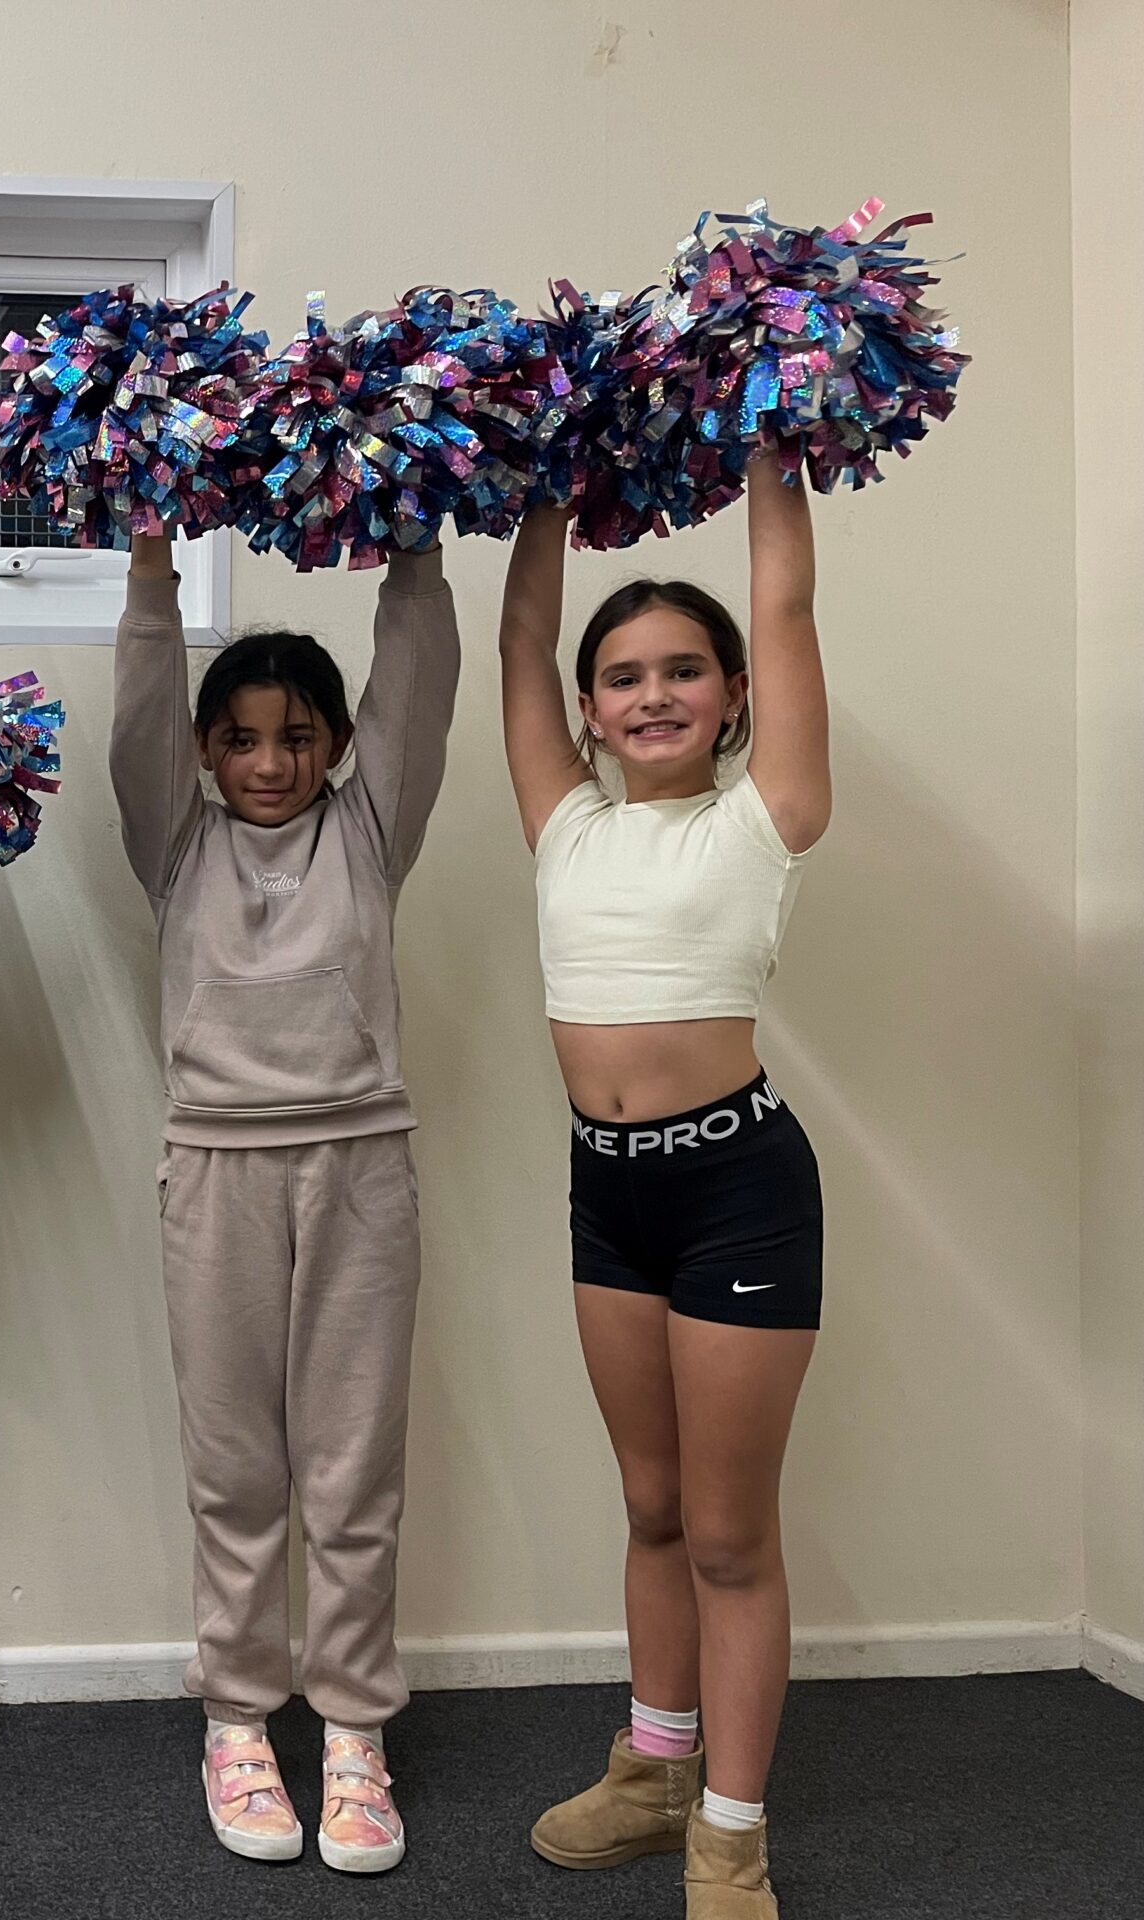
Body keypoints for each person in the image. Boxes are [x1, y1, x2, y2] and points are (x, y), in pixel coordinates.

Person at [499, 471, 831, 1920]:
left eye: (684, 670)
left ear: (736, 693)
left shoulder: (767, 815)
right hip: (608, 1198)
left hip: (739, 1194)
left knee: (728, 1535)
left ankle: (731, 1839)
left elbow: (787, 600)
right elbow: (519, 641)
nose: (652, 695)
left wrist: (770, 453)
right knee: (648, 1506)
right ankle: (652, 1772)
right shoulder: (564, 822)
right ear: (587, 711)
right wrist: (544, 486)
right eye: (623, 676)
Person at [112, 528, 461, 1872]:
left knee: (353, 1464)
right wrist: (152, 573)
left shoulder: (370, 832)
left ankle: (356, 1728)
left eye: (298, 737)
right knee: (235, 1468)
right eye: (242, 739)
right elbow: (139, 721)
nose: (270, 762)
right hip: (216, 1171)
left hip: (361, 1166)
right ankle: (239, 1718)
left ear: (337, 747)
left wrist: (415, 552)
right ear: (206, 752)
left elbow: (413, 693)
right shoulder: (175, 844)